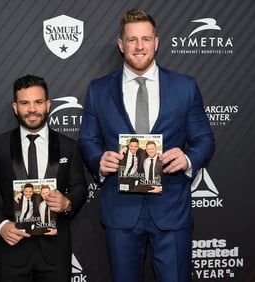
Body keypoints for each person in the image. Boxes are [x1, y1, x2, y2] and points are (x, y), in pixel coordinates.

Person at [78, 9, 215, 282]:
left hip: (171, 209)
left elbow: (204, 139)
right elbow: (88, 139)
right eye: (132, 40)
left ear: (156, 42)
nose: (139, 46)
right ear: (121, 44)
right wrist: (98, 160)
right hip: (120, 211)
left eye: (145, 38)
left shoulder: (185, 87)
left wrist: (187, 159)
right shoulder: (98, 90)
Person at [0, 74, 87, 282]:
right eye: (24, 103)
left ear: (47, 105)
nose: (32, 109)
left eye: (38, 102)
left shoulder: (68, 146)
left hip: (55, 252)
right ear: (15, 107)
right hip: (12, 249)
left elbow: (80, 187)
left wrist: (67, 202)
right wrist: (2, 225)